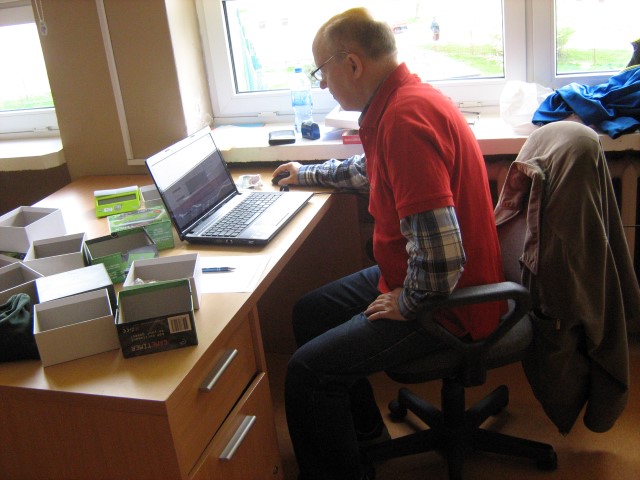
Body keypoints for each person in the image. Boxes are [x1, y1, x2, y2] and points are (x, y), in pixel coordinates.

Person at [272, 8, 504, 480]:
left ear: (353, 64)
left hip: (449, 300)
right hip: (423, 276)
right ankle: (366, 440)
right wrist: (306, 174)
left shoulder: (404, 120)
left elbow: (443, 258)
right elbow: (369, 171)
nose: (322, 85)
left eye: (322, 72)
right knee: (311, 312)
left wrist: (409, 302)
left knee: (308, 375)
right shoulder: (401, 101)